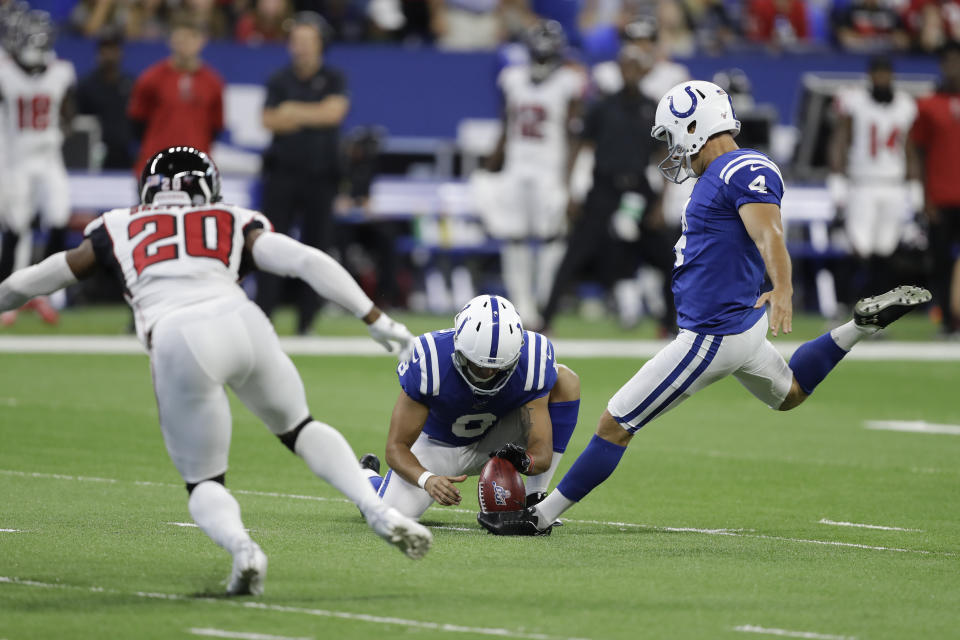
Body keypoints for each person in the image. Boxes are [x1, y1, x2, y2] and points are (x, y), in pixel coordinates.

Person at [477, 81, 931, 536]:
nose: (673, 151)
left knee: (616, 422)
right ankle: (858, 326)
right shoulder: (722, 173)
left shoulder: (741, 167)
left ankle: (539, 516)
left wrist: (785, 286)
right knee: (790, 392)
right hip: (740, 327)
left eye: (675, 136)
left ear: (695, 126)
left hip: (713, 333)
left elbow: (769, 234)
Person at [0, 147, 433, 592]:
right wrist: (376, 319)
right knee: (300, 428)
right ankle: (375, 506)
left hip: (177, 335)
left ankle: (243, 549)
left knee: (204, 481)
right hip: (242, 321)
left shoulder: (115, 228)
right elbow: (306, 260)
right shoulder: (230, 219)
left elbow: (27, 282)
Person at [360, 294, 580, 521]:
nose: (487, 374)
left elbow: (541, 454)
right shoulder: (429, 359)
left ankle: (537, 500)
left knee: (566, 380)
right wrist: (427, 478)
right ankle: (365, 477)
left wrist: (523, 460)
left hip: (498, 439)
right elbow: (396, 447)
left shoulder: (533, 361)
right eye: (478, 365)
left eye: (499, 368)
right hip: (438, 446)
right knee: (388, 515)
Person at [540, 41, 673, 333]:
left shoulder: (652, 108)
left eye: (635, 67)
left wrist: (662, 202)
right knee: (574, 254)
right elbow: (580, 148)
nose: (630, 72)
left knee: (667, 256)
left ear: (644, 70)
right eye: (625, 66)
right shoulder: (602, 107)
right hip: (604, 189)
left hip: (637, 190)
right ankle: (546, 319)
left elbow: (663, 156)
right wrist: (569, 191)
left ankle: (671, 324)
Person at [481, 20, 586, 328]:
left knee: (552, 238)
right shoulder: (512, 78)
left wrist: (569, 180)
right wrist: (492, 163)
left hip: (549, 170)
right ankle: (521, 308)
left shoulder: (569, 82)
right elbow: (506, 124)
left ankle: (544, 305)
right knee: (513, 238)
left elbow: (573, 133)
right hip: (516, 168)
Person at [257, 11, 348, 335]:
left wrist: (293, 111)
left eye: (308, 41)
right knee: (269, 245)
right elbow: (269, 120)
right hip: (282, 173)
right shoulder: (279, 80)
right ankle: (263, 317)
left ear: (320, 44)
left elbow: (334, 114)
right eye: (296, 41)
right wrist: (315, 113)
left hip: (321, 175)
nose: (301, 48)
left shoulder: (334, 77)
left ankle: (306, 321)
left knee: (317, 248)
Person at [0, 9, 75, 326]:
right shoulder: (4, 71)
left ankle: (46, 293)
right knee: (15, 229)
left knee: (59, 218)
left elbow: (68, 114)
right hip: (15, 159)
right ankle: (7, 297)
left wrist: (56, 135)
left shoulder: (61, 71)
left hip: (49, 158)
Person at [828, 56, 919, 301]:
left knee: (886, 248)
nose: (881, 79)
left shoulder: (905, 104)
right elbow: (840, 141)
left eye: (885, 73)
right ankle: (844, 303)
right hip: (863, 182)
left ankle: (878, 309)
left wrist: (915, 188)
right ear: (870, 76)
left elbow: (909, 148)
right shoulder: (855, 101)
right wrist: (837, 182)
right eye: (877, 74)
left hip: (893, 184)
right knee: (859, 246)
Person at [128, 15, 223, 176]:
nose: (185, 43)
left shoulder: (213, 83)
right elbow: (137, 121)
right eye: (180, 37)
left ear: (202, 41)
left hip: (196, 170)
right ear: (171, 40)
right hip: (156, 169)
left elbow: (215, 127)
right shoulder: (151, 78)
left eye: (191, 37)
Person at [909, 40, 960, 337]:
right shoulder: (928, 105)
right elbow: (915, 149)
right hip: (940, 197)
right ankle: (945, 320)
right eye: (949, 61)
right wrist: (922, 194)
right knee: (940, 262)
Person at [76, 30, 135, 170]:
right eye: (105, 51)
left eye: (113, 50)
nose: (109, 55)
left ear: (120, 53)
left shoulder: (130, 84)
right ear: (98, 55)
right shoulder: (87, 86)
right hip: (93, 152)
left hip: (124, 153)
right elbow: (79, 123)